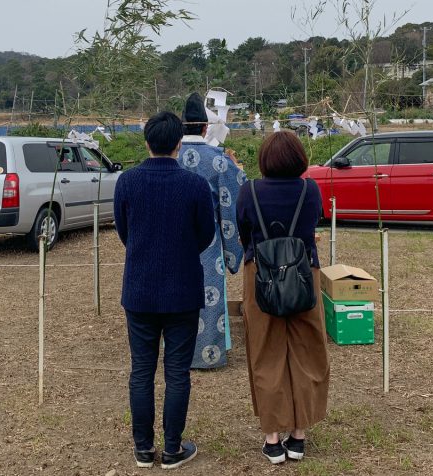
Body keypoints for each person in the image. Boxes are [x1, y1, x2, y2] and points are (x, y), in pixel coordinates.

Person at [114, 111, 216, 470]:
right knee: (177, 373)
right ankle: (172, 449)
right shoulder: (195, 185)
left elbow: (125, 233)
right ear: (178, 143)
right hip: (183, 290)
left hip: (139, 289)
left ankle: (143, 449)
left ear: (147, 142)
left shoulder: (127, 182)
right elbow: (206, 235)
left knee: (141, 371)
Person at [235, 130, 330, 464]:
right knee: (308, 350)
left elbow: (243, 231)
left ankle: (273, 438)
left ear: (264, 160)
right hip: (305, 273)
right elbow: (313, 222)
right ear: (299, 158)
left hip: (261, 276)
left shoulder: (248, 191)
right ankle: (299, 436)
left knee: (266, 352)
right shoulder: (310, 189)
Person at [178, 92, 247, 369]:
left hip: (173, 242)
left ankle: (177, 354)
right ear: (205, 128)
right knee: (209, 296)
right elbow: (236, 197)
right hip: (208, 240)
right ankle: (208, 355)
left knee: (177, 296)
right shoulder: (218, 160)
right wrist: (233, 250)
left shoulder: (169, 156)